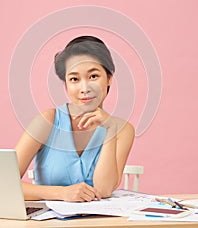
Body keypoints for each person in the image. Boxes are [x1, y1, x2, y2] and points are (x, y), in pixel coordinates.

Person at [15, 35, 135, 202]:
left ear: (109, 79)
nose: (84, 88)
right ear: (66, 85)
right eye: (74, 79)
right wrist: (61, 193)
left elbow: (103, 189)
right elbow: (5, 183)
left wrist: (109, 129)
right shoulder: (47, 121)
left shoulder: (123, 130)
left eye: (93, 76)